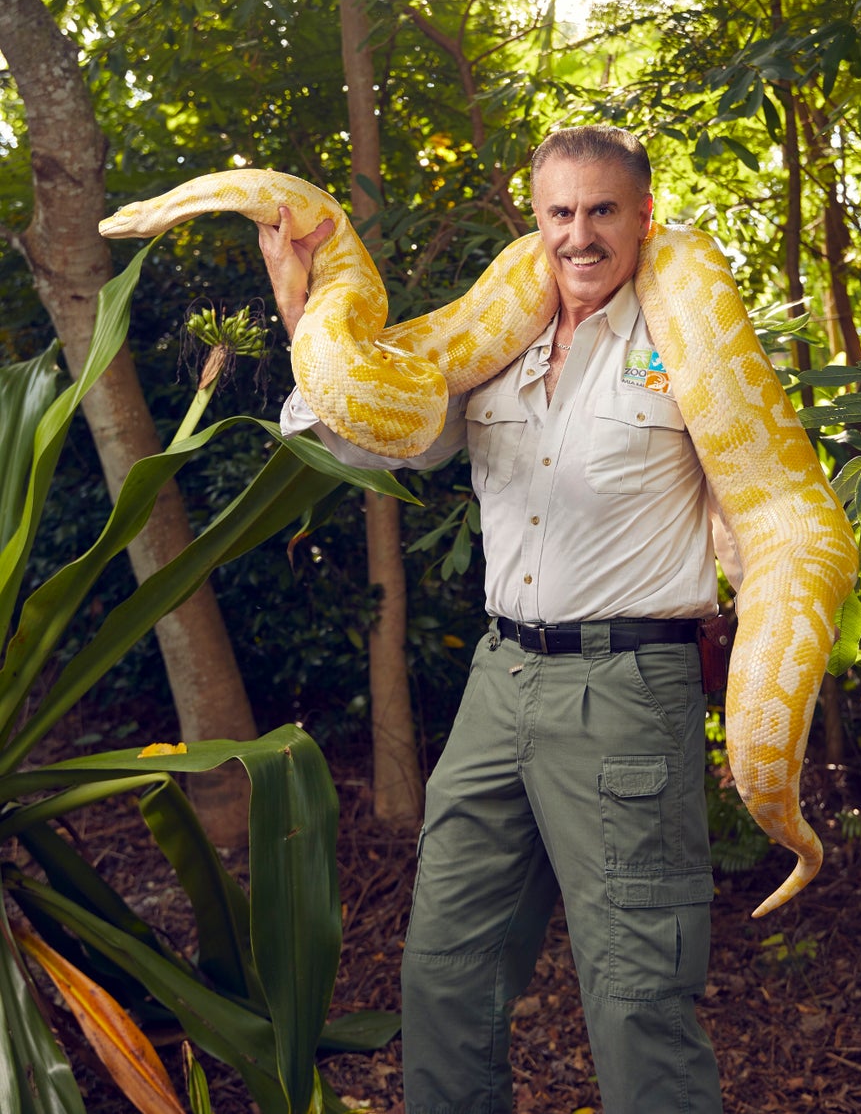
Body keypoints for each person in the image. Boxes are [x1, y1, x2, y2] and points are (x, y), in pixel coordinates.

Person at [258, 125, 726, 1114]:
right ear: (536, 221)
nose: (580, 236)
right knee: (443, 974)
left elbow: (759, 506)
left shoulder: (689, 336)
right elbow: (379, 442)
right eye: (559, 213)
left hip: (628, 689)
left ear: (644, 215)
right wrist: (304, 310)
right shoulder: (495, 339)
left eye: (602, 211)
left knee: (637, 995)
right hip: (499, 681)